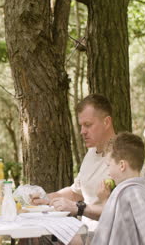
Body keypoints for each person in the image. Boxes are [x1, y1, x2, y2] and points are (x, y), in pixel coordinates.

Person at [32, 94, 116, 230]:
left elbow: (120, 212)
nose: (82, 131)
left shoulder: (125, 156)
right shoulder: (91, 153)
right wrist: (46, 199)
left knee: (36, 237)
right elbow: (75, 193)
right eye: (81, 126)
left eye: (88, 125)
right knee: (32, 234)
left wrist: (77, 208)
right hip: (83, 232)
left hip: (106, 237)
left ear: (106, 122)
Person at [92, 132, 145, 245]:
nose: (108, 172)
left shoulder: (132, 191)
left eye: (109, 165)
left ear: (122, 165)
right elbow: (114, 225)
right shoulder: (128, 190)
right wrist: (105, 200)